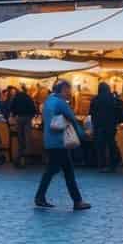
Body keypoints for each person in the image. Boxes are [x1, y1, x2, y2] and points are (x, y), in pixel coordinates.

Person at [35, 80, 89, 211]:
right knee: (66, 172)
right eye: (68, 90)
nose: (69, 93)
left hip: (50, 141)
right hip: (60, 142)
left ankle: (40, 197)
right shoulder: (60, 103)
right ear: (63, 89)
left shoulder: (48, 101)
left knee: (54, 170)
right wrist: (82, 135)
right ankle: (77, 201)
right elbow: (72, 119)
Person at [89, 82, 121, 173]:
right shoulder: (112, 99)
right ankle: (113, 164)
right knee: (111, 144)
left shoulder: (95, 99)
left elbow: (91, 113)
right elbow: (117, 111)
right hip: (111, 125)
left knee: (100, 146)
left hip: (99, 126)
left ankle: (102, 165)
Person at [10, 85, 38, 167]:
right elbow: (33, 109)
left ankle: (19, 158)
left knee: (20, 138)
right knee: (27, 138)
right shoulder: (28, 98)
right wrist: (31, 116)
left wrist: (15, 115)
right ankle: (26, 158)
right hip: (27, 118)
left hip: (19, 118)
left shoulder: (16, 97)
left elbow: (11, 108)